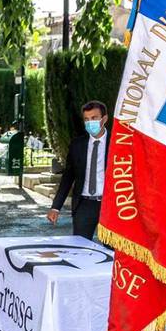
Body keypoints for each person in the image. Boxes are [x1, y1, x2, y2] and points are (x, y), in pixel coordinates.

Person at [48, 100, 109, 241]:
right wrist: (56, 207)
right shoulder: (77, 145)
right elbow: (68, 177)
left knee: (111, 251)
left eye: (94, 118)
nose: (90, 122)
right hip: (84, 205)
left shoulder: (117, 144)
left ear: (104, 119)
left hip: (110, 206)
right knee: (80, 248)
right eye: (86, 119)